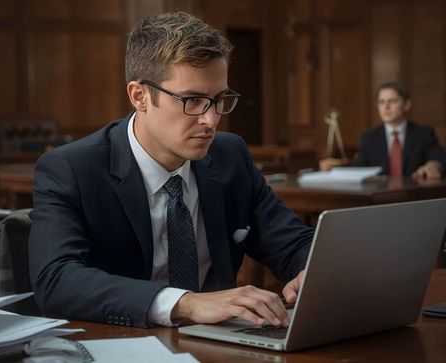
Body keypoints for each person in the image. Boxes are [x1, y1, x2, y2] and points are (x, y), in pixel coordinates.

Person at [29, 12, 313, 329]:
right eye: (192, 100)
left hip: (220, 344)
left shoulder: (230, 156)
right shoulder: (71, 169)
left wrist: (311, 272)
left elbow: (293, 244)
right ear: (139, 96)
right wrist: (184, 303)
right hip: (120, 343)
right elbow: (56, 280)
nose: (211, 120)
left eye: (219, 99)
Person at [319, 82, 446, 179]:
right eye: (381, 102)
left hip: (413, 201)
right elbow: (359, 172)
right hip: (380, 203)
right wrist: (335, 169)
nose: (386, 107)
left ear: (407, 104)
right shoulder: (369, 138)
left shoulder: (423, 134)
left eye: (393, 101)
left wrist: (435, 165)